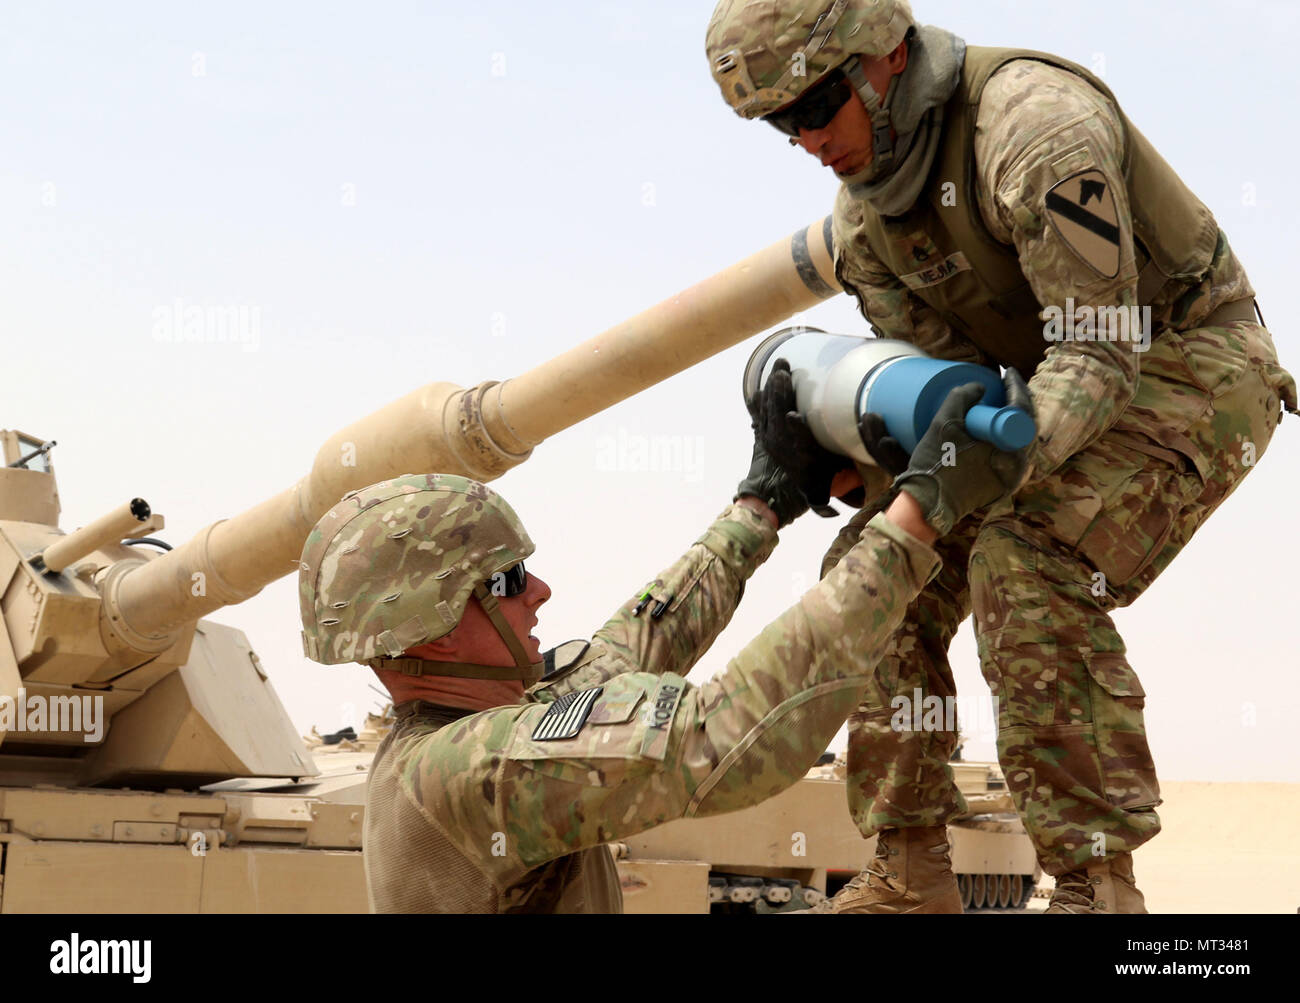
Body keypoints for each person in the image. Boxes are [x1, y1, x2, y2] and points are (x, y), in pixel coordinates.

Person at [705, 0, 1296, 913]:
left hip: (1194, 364)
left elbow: (1097, 352)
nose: (806, 138)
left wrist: (978, 471)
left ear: (887, 57)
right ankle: (911, 868)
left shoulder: (1034, 130)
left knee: (1024, 556)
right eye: (782, 122)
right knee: (876, 565)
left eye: (816, 104)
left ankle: (1097, 885)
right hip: (1037, 393)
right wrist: (846, 462)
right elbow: (946, 387)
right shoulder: (868, 228)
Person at [296, 377, 1029, 912]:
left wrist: (762, 506)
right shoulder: (467, 772)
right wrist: (913, 519)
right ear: (441, 623)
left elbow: (635, 642)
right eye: (507, 578)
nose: (539, 589)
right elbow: (727, 737)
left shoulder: (462, 724)